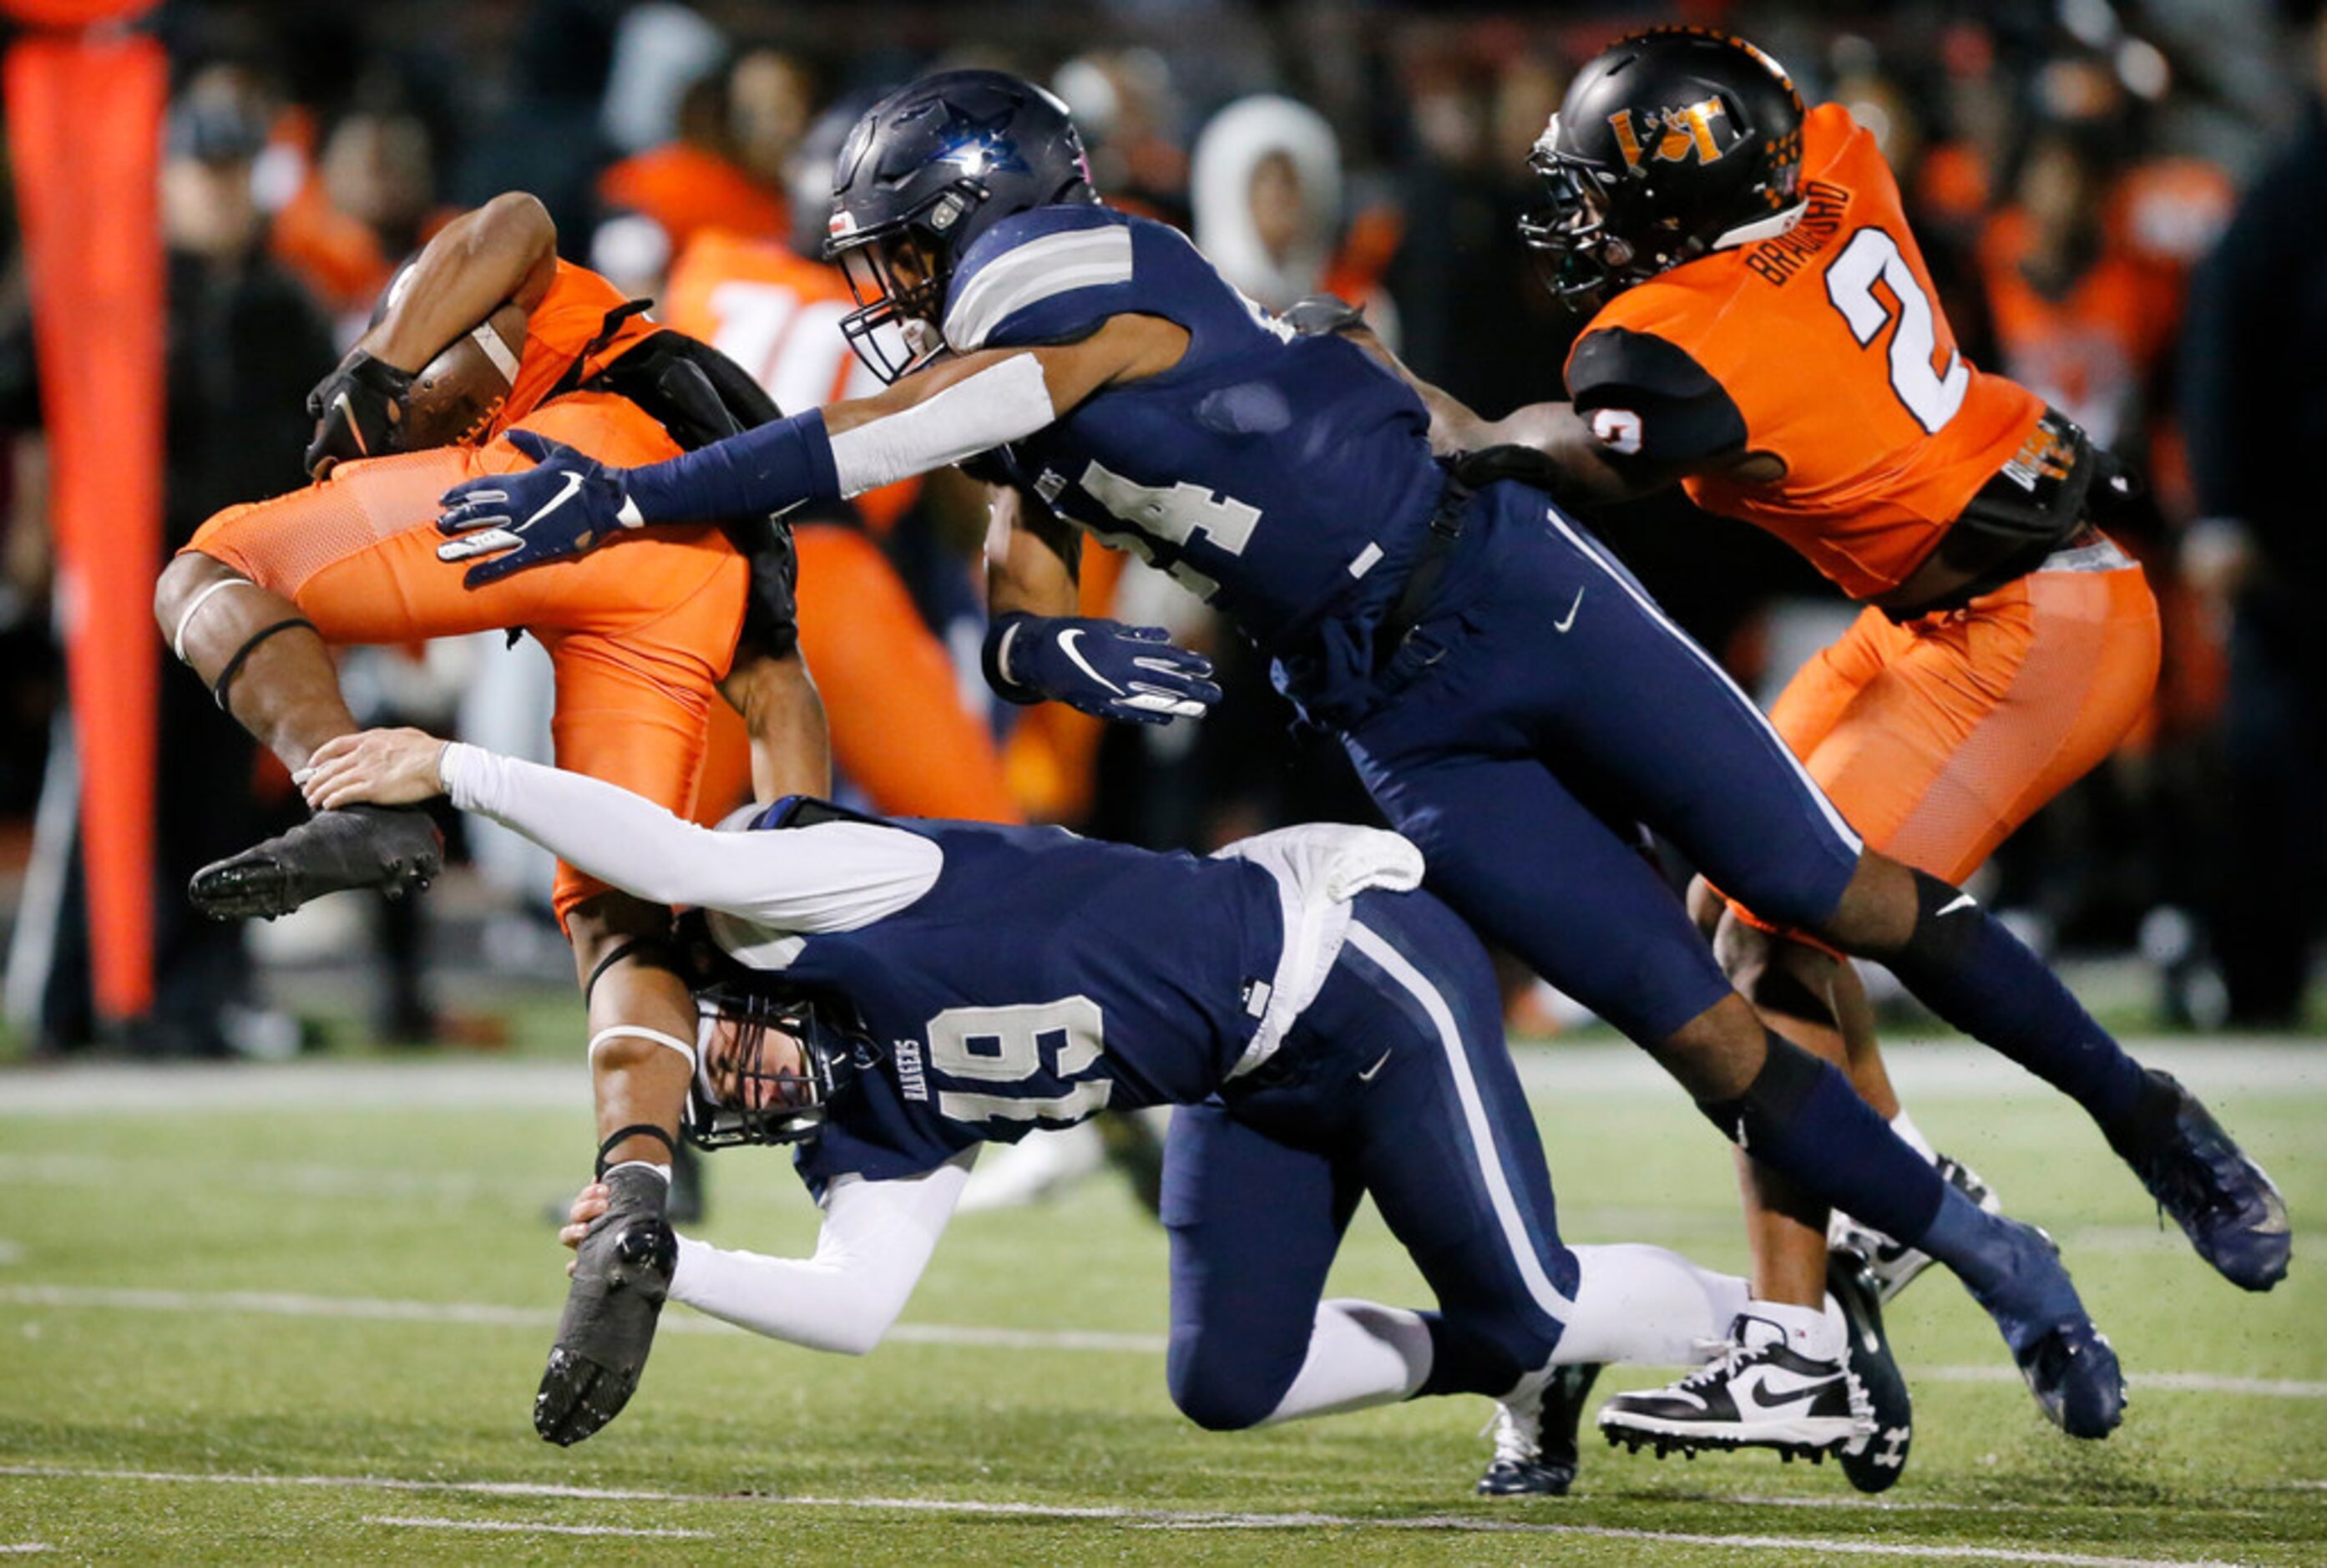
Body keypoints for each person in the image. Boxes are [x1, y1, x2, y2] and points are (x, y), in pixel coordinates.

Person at [427, 67, 2259, 1463]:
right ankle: (1994, 1263)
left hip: (1512, 588)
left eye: (900, 248)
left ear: (981, 215)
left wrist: (642, 490)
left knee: (1827, 890)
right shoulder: (996, 354)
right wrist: (1036, 640)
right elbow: (1010, 537)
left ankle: (2145, 1122)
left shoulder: (1085, 269)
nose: (886, 288)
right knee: (1689, 1027)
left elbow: (913, 428)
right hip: (1384, 709)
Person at [1296, 27, 2286, 1450]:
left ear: (1680, 194)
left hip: (2033, 626)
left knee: (1775, 913)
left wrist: (1386, 373)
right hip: (1931, 606)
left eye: (1602, 192)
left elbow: (1513, 449)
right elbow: (1776, 103)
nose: (1583, 223)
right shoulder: (1828, 156)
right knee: (1725, 888)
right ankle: (1900, 1212)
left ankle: (1840, 1311)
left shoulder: (1675, 347)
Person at [294, 721, 1910, 1495]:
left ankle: (1786, 1328)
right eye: (719, 1102)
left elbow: (688, 863)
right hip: (1238, 1071)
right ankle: (1534, 1356)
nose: (740, 1088)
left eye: (714, 1052)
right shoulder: (867, 1115)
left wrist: (457, 768)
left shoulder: (826, 885)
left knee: (1541, 1282)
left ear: (732, 980)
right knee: (1231, 1381)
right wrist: (663, 1266)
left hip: (1350, 967)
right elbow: (857, 1306)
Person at [149, 190, 827, 1436]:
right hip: (673, 589)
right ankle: (635, 1185)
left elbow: (510, 220)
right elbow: (786, 698)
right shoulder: (729, 476)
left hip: (566, 481)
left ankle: (351, 785)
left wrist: (382, 363)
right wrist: (782, 957)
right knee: (617, 907)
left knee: (211, 568)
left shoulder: (541, 326)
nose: (422, 423)